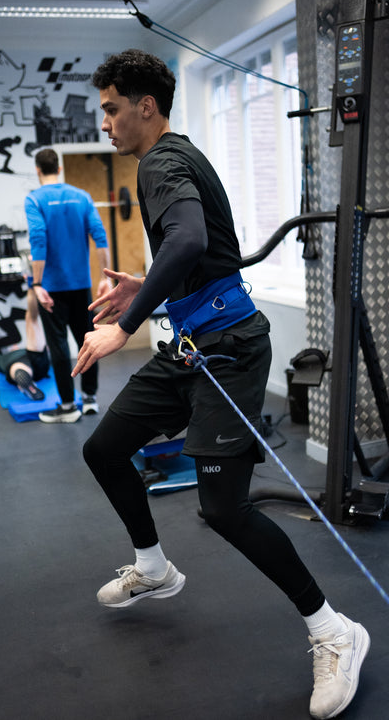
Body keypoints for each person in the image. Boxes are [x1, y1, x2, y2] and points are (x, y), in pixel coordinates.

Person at [73, 49, 370, 719]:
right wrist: (143, 286)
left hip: (227, 351)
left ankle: (335, 631)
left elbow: (186, 241)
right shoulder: (178, 153)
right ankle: (154, 569)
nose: (106, 123)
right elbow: (197, 254)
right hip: (192, 345)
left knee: (224, 509)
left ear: (146, 106)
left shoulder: (160, 163)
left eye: (112, 109)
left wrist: (126, 326)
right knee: (104, 449)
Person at [25, 148, 110, 423]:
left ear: (38, 170)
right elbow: (99, 235)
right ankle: (90, 398)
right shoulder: (81, 196)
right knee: (88, 340)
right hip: (81, 286)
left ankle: (67, 407)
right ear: (59, 169)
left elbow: (38, 239)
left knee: (59, 346)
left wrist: (37, 283)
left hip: (51, 288)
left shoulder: (34, 199)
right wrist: (105, 277)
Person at [0, 286, 49, 400]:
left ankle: (26, 382)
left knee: (17, 369)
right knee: (31, 318)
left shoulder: (0, 359)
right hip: (35, 361)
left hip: (22, 363)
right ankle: (32, 285)